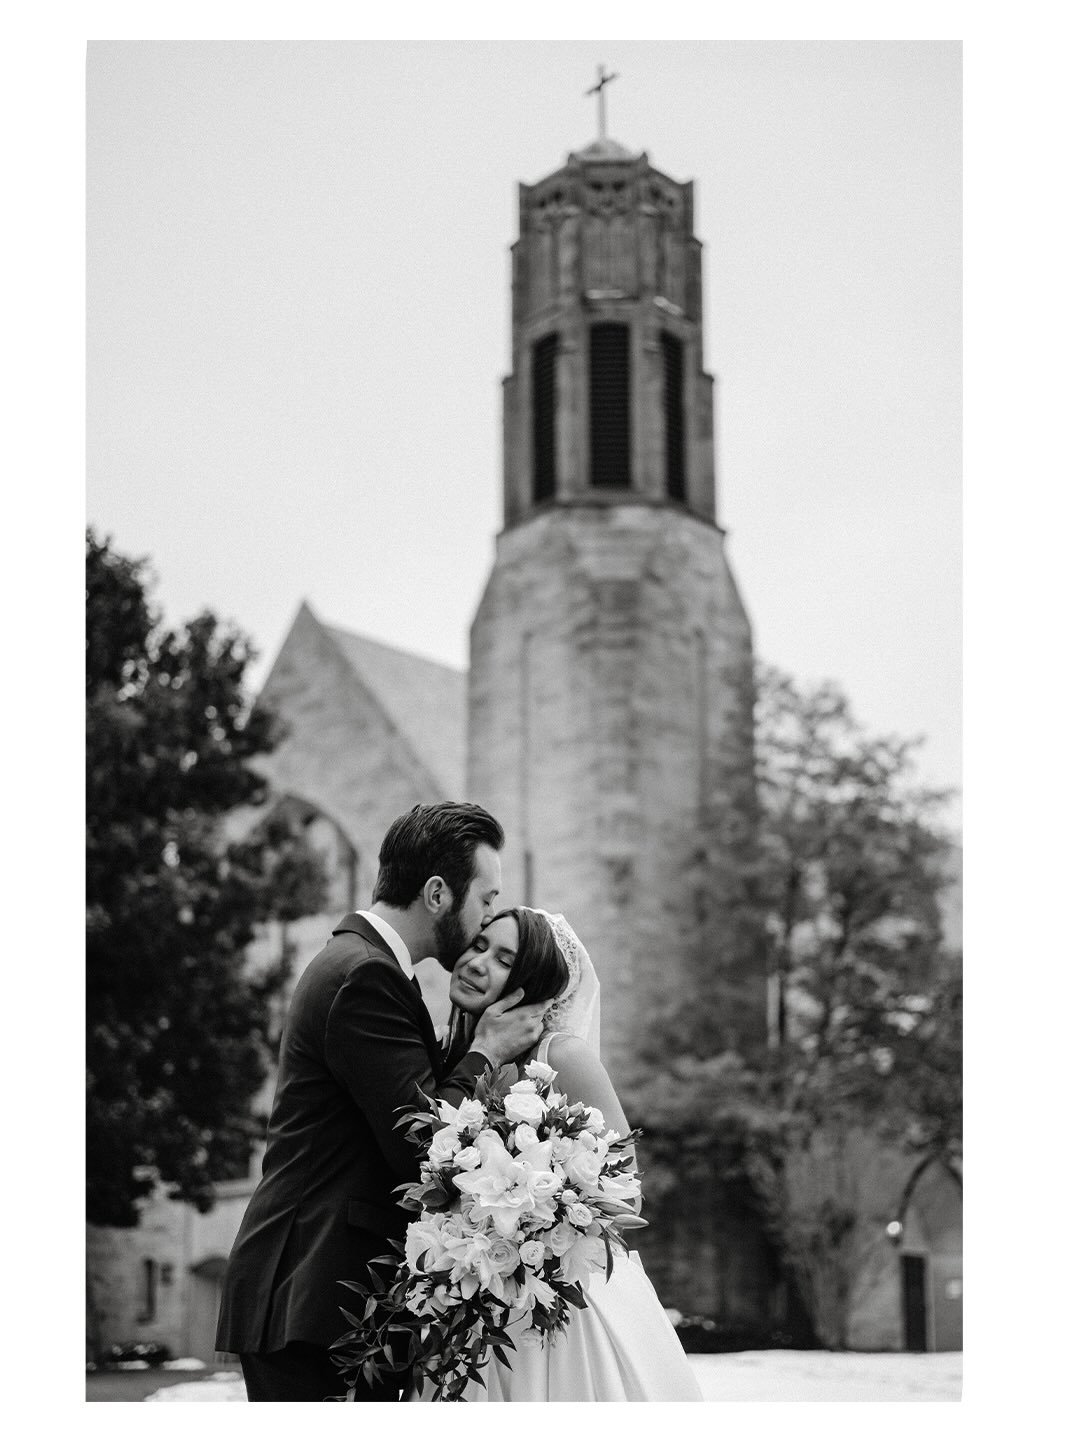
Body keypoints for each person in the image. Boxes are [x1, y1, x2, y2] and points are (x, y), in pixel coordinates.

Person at [215, 802, 548, 1402]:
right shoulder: (365, 976)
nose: (485, 921)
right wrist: (488, 1051)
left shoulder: (367, 964)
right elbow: (421, 1146)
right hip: (311, 1293)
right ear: (438, 894)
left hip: (318, 1295)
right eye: (485, 899)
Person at [415, 905, 703, 1402]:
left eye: (504, 959)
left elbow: (625, 1190)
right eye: (479, 946)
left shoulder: (562, 1055)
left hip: (554, 1302)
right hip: (465, 1288)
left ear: (530, 983)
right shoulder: (448, 1056)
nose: (477, 962)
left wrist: (536, 1219)